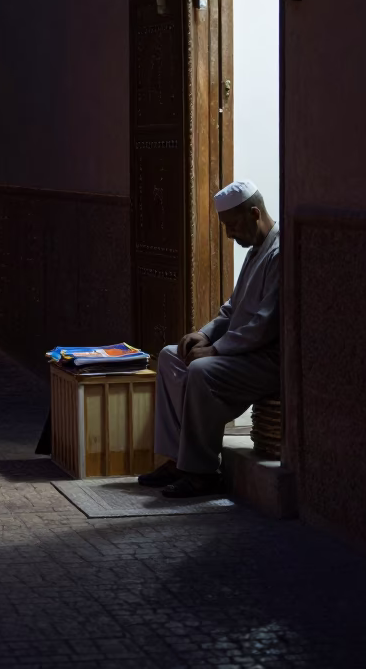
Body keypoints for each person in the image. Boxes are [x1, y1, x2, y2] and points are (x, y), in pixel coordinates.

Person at [139, 179, 280, 498]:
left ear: (254, 213)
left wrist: (215, 350)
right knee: (170, 357)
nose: (229, 234)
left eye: (232, 225)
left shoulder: (278, 253)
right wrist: (202, 335)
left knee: (201, 370)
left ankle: (201, 472)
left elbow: (263, 326)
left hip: (265, 361)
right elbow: (232, 310)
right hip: (238, 353)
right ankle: (177, 460)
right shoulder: (256, 250)